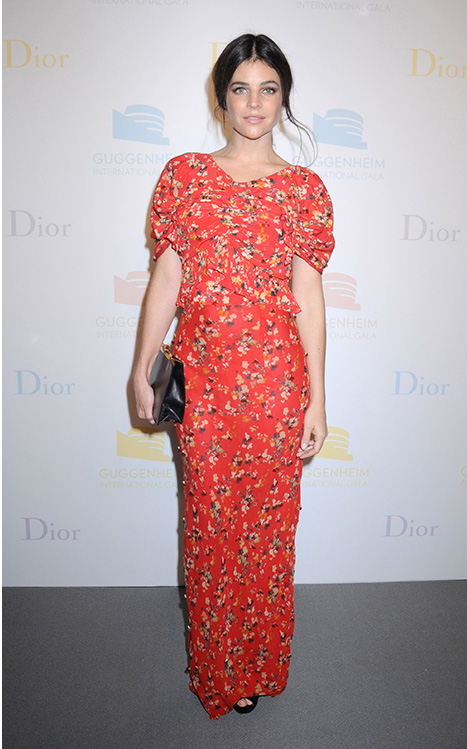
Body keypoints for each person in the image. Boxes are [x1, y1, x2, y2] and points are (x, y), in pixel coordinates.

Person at [131, 33, 334, 720]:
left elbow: (309, 298)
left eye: (268, 89)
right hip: (205, 385)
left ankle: (258, 663)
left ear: (284, 98)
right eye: (241, 88)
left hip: (276, 387)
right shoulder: (185, 177)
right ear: (222, 97)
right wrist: (142, 367)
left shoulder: (304, 191)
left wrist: (317, 397)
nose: (254, 103)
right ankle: (218, 668)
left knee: (267, 532)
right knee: (211, 528)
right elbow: (167, 276)